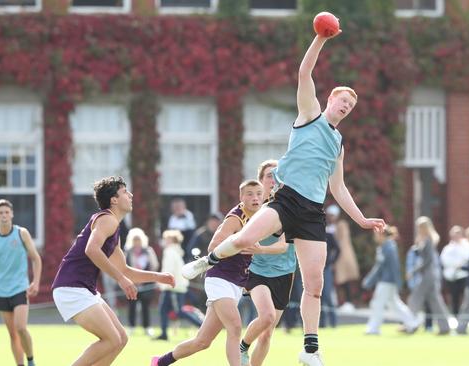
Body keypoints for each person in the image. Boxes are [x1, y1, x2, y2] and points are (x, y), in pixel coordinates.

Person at [181, 29, 385, 366]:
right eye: (343, 101)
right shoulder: (310, 115)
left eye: (351, 106)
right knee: (244, 237)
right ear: (330, 99)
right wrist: (320, 38)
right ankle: (206, 262)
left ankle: (309, 349)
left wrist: (361, 219)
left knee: (315, 284)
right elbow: (304, 73)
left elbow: (338, 187)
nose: (346, 107)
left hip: (312, 212)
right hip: (286, 199)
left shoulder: (338, 143)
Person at [152, 179, 286, 366]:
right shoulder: (235, 217)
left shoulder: (262, 215)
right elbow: (213, 246)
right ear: (241, 197)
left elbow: (283, 241)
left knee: (202, 341)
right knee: (235, 327)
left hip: (237, 282)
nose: (255, 198)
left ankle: (160, 362)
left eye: (258, 194)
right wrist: (240, 245)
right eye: (250, 194)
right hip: (219, 278)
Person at [51, 176, 175, 366]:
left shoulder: (113, 226)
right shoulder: (107, 219)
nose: (131, 195)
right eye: (125, 192)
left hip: (83, 289)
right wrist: (122, 280)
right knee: (112, 340)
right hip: (72, 288)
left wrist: (158, 277)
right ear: (114, 200)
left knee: (121, 339)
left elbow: (124, 270)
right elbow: (91, 250)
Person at [240, 160, 296, 366]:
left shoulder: (290, 209)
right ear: (260, 181)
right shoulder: (252, 209)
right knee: (267, 316)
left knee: (266, 335)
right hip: (257, 271)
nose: (273, 180)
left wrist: (260, 248)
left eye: (277, 175)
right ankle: (242, 346)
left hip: (284, 272)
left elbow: (284, 246)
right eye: (268, 176)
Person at [0, 199, 42, 366]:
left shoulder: (22, 233)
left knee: (21, 327)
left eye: (7, 212)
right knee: (13, 334)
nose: (4, 215)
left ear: (12, 214)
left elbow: (36, 258)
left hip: (20, 288)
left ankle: (31, 360)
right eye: (1, 212)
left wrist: (35, 282)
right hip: (0, 292)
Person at [363, 226, 419, 335]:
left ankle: (373, 329)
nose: (375, 237)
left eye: (376, 235)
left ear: (382, 235)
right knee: (395, 304)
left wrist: (398, 283)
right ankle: (412, 323)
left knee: (378, 304)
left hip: (387, 282)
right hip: (386, 281)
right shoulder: (385, 247)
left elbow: (393, 267)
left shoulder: (389, 247)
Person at [406, 216, 451, 335]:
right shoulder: (427, 240)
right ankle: (444, 327)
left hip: (428, 275)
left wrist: (413, 271)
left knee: (414, 299)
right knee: (435, 301)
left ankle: (410, 325)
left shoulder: (428, 241)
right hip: (431, 274)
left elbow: (427, 260)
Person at [156, 230, 203, 341]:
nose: (164, 241)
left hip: (173, 287)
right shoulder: (175, 251)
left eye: (166, 239)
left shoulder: (170, 251)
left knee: (179, 312)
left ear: (171, 240)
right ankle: (163, 334)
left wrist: (163, 282)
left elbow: (169, 269)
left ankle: (203, 326)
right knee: (163, 309)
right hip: (172, 287)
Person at [124, 227, 159, 336]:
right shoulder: (128, 252)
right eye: (135, 240)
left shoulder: (148, 251)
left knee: (145, 306)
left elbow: (154, 265)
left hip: (147, 284)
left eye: (138, 239)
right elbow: (124, 267)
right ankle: (131, 326)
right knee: (132, 306)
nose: (137, 242)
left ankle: (147, 327)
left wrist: (145, 277)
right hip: (132, 284)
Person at [325, 204, 360, 313]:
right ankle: (344, 302)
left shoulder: (341, 225)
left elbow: (342, 241)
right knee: (340, 281)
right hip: (336, 256)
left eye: (332, 215)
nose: (330, 217)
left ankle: (349, 302)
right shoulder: (330, 226)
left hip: (343, 257)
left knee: (345, 280)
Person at [440, 225, 469, 317]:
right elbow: (444, 260)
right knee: (454, 299)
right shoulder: (448, 248)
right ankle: (456, 318)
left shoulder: (467, 245)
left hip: (464, 276)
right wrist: (455, 265)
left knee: (468, 299)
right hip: (452, 277)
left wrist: (459, 264)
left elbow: (467, 257)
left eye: (458, 234)